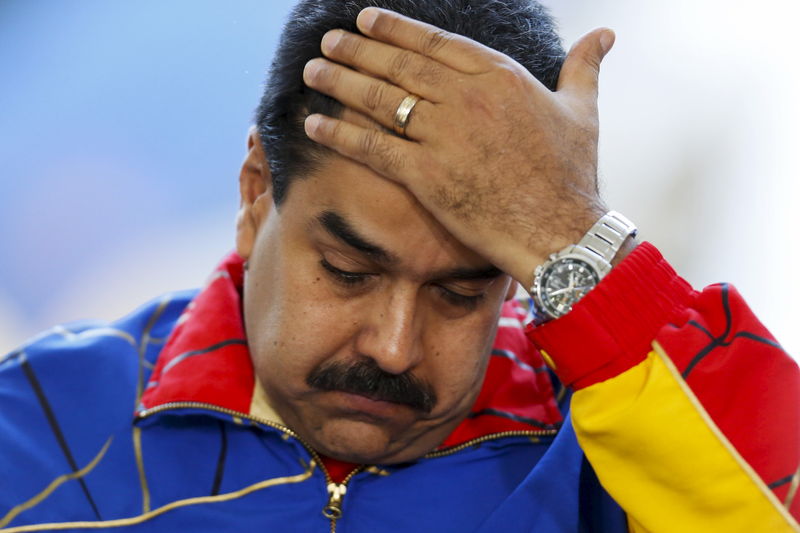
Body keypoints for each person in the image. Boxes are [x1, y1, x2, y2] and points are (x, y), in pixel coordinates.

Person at [0, 0, 797, 531]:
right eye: (348, 269)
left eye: (461, 291)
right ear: (254, 196)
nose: (393, 346)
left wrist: (571, 231)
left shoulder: (606, 463)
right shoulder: (35, 431)